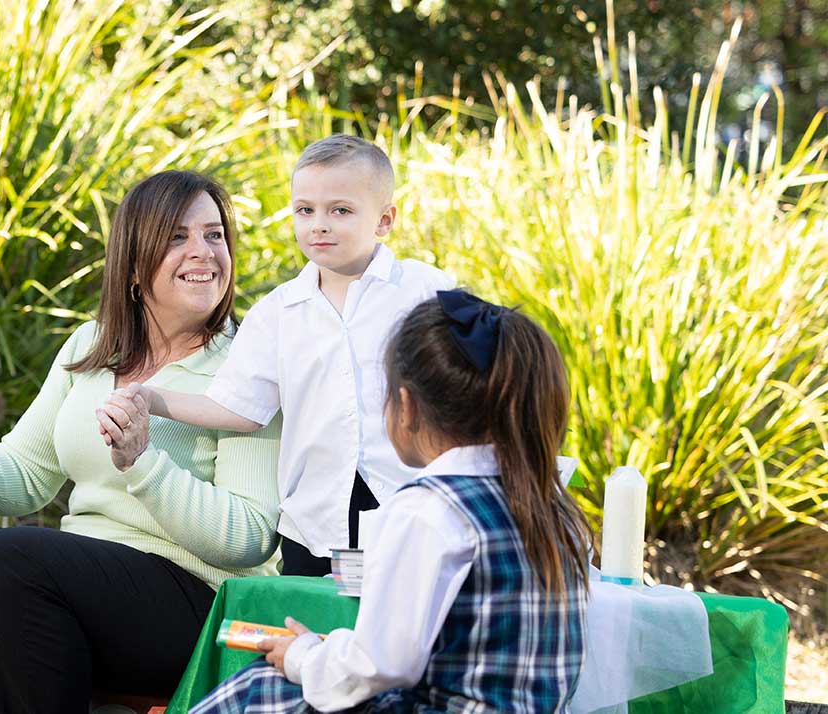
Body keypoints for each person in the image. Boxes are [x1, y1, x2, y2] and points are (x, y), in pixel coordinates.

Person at [0, 171, 283, 712]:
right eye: (177, 237)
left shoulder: (248, 367)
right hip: (87, 582)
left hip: (205, 602)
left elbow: (250, 537)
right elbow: (26, 474)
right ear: (131, 265)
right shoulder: (92, 345)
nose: (204, 252)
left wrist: (144, 465)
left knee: (15, 557)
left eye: (214, 235)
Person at [191, 291, 591, 713]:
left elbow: (379, 664)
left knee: (263, 687)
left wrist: (303, 655)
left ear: (407, 407)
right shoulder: (553, 507)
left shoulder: (430, 511)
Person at [104, 134, 456, 576]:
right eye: (305, 210)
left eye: (340, 211)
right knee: (311, 626)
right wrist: (153, 399)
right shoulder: (278, 312)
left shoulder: (426, 291)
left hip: (408, 501)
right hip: (315, 520)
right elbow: (239, 408)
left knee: (406, 623)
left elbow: (479, 375)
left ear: (384, 220)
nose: (319, 225)